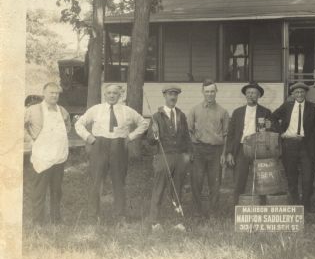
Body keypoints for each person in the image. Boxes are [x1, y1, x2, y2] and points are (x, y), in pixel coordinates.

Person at [75, 84, 149, 223]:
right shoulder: (96, 110)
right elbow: (79, 124)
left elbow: (143, 123)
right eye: (109, 93)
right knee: (96, 181)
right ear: (105, 94)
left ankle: (120, 216)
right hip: (99, 146)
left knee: (119, 182)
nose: (112, 95)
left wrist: (130, 137)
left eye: (115, 93)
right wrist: (89, 137)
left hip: (119, 147)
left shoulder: (127, 111)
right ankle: (93, 216)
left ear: (119, 95)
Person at [24, 82, 72, 225]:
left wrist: (59, 141)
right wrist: (32, 140)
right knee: (39, 191)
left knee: (57, 191)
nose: (54, 95)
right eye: (51, 92)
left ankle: (56, 219)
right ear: (44, 93)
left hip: (58, 157)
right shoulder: (33, 109)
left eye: (57, 93)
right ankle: (38, 221)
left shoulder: (62, 110)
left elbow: (68, 126)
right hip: (42, 156)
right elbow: (22, 126)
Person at [147, 85, 192, 231]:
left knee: (177, 189)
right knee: (158, 189)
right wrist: (154, 134)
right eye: (170, 95)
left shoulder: (181, 115)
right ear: (165, 96)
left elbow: (186, 137)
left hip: (179, 158)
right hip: (163, 156)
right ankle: (154, 222)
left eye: (175, 95)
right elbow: (150, 140)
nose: (173, 97)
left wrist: (188, 155)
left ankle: (177, 221)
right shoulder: (156, 116)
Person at [270, 82, 315, 211]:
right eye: (296, 92)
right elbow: (272, 117)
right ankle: (294, 202)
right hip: (289, 144)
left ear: (305, 94)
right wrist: (281, 133)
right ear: (292, 94)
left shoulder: (312, 107)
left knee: (308, 176)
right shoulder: (287, 106)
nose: (299, 94)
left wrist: (314, 142)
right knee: (291, 175)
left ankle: (306, 205)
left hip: (306, 146)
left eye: (302, 92)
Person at [188, 79, 230, 217]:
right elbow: (189, 131)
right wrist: (192, 149)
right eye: (207, 91)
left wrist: (224, 154)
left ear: (216, 92)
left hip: (215, 151)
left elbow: (226, 135)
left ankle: (213, 212)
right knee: (196, 182)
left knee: (215, 183)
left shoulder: (223, 112)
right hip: (198, 150)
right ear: (202, 92)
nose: (210, 94)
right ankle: (197, 211)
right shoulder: (194, 110)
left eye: (212, 91)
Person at [225, 82, 272, 206]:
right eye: (249, 93)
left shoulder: (265, 112)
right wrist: (229, 152)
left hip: (259, 149)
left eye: (254, 93)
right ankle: (237, 208)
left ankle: (261, 206)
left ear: (259, 96)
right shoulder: (237, 112)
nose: (251, 95)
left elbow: (272, 132)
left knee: (260, 179)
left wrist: (270, 126)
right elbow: (231, 134)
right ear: (245, 95)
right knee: (239, 180)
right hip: (241, 148)